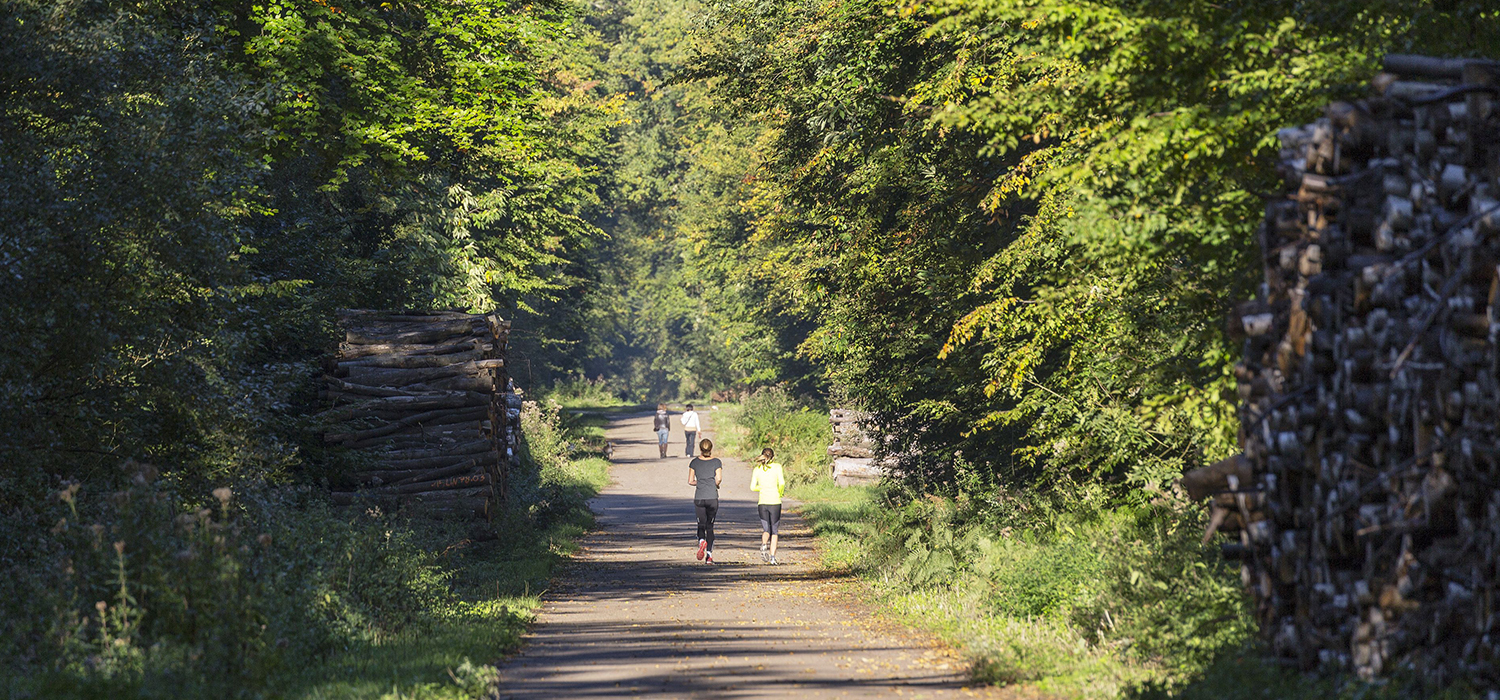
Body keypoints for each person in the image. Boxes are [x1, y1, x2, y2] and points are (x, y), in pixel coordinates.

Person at [687, 438, 722, 564]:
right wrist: (714, 484)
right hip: (712, 497)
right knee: (710, 526)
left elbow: (690, 481)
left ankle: (701, 541)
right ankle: (709, 555)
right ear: (711, 448)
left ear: (700, 448)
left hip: (699, 497)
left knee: (700, 524)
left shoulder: (694, 462)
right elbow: (718, 479)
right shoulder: (717, 462)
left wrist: (700, 481)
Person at [750, 448, 786, 565]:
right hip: (775, 501)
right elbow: (782, 483)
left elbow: (752, 487)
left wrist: (762, 488)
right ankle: (772, 558)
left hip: (763, 502)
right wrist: (780, 492)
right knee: (774, 531)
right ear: (773, 457)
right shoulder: (777, 467)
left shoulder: (757, 469)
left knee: (766, 529)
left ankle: (764, 544)